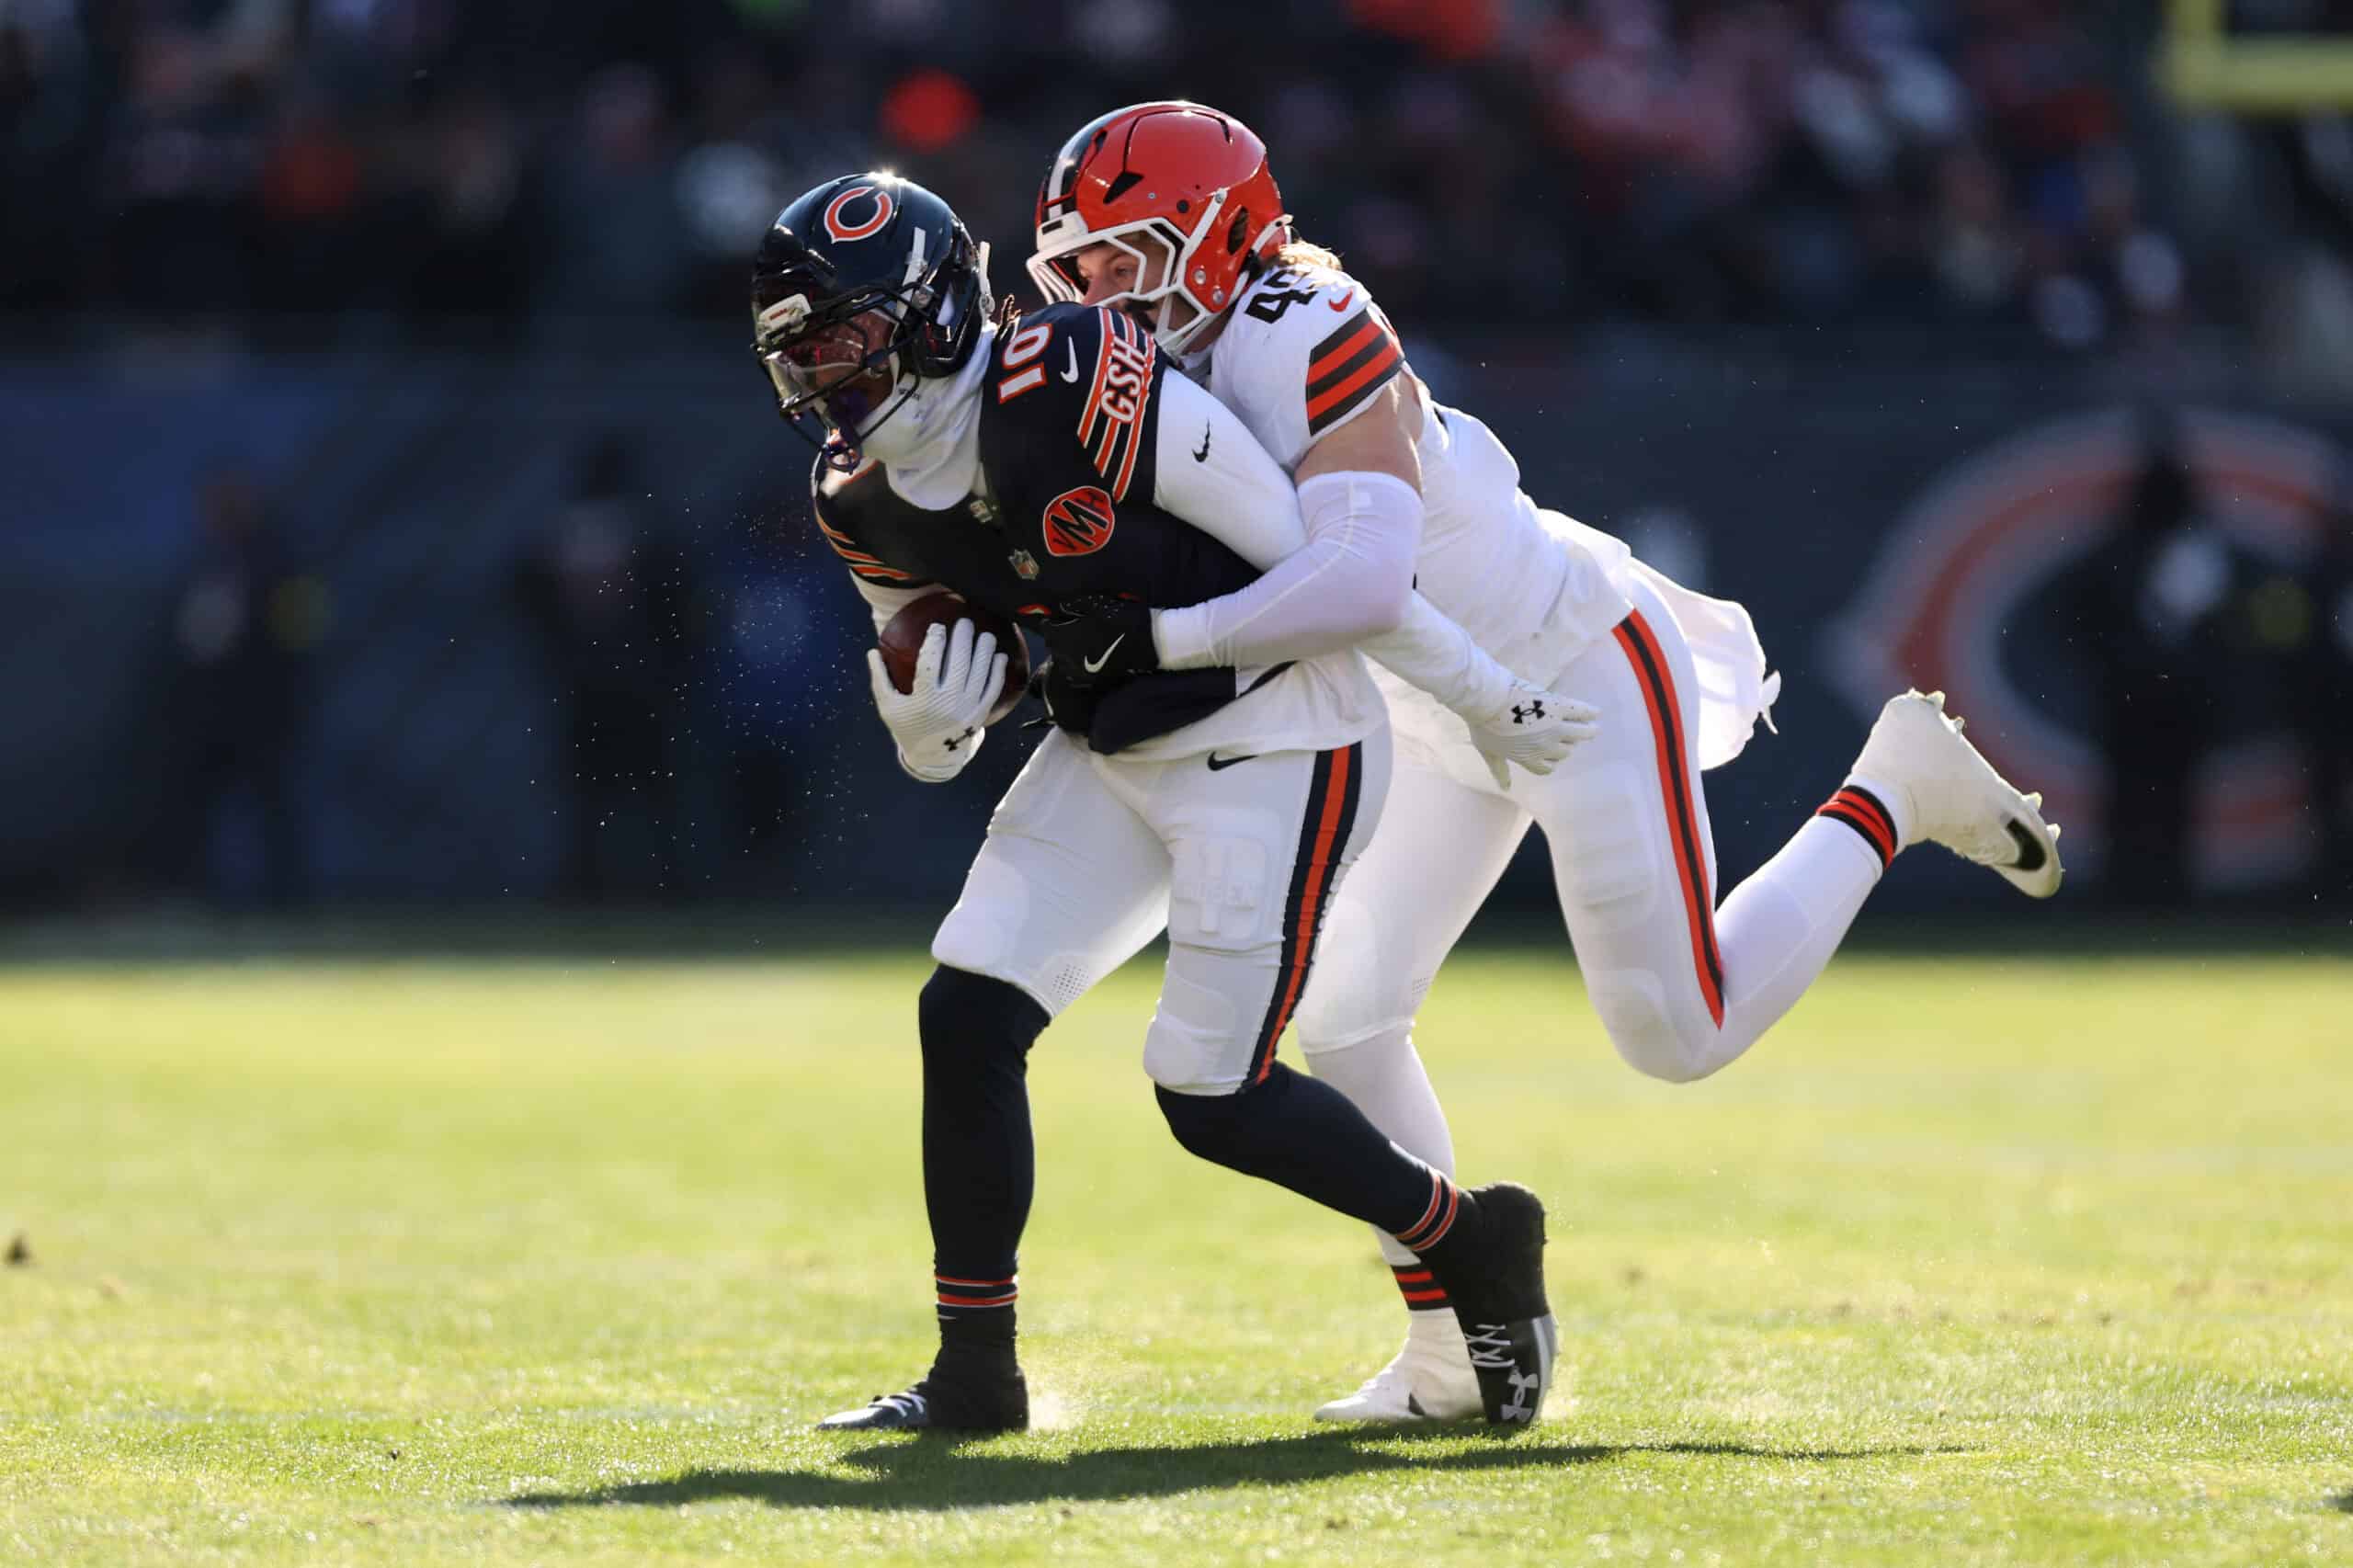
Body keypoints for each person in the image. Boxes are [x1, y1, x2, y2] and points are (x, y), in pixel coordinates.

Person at [1027, 101, 2066, 1424]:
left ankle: (1893, 790)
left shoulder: (1301, 328)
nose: (1104, 296)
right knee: (1344, 1021)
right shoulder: (1147, 369)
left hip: (1563, 671)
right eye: (1084, 269)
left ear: (1221, 240)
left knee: (1676, 1031)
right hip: (1437, 713)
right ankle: (1455, 1348)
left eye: (1130, 258)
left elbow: (1358, 577)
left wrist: (1157, 638)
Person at [752, 173, 1596, 1433]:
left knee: (1211, 1092)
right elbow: (939, 704)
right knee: (966, 1014)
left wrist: (1483, 691)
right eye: (802, 352)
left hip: (1278, 731)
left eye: (846, 339)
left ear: (930, 314)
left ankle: (1469, 1238)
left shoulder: (1072, 374)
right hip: (1115, 750)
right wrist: (921, 727)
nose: (826, 375)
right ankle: (977, 1377)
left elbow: (1319, 565)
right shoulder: (855, 495)